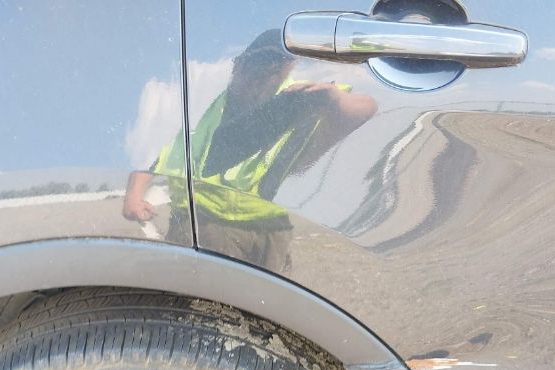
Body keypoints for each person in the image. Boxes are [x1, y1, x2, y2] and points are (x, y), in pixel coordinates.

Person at [124, 29, 377, 271]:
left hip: (270, 229)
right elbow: (160, 151)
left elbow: (365, 108)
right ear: (238, 66)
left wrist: (333, 98)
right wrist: (133, 196)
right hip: (206, 223)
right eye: (255, 65)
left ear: (287, 69)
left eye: (274, 68)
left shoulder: (298, 98)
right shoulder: (207, 106)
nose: (261, 78)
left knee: (267, 300)